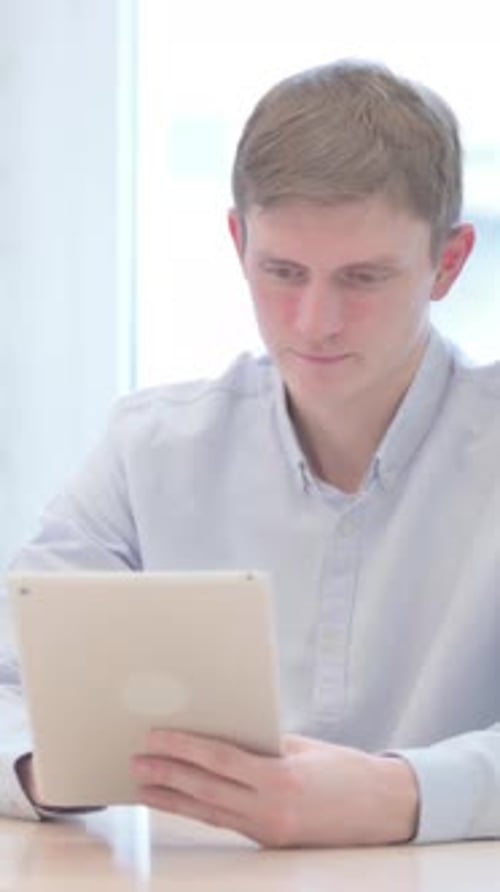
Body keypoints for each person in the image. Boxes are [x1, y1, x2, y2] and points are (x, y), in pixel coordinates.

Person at [1, 58, 499, 847]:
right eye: (282, 272)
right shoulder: (150, 449)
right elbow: (7, 682)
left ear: (449, 262)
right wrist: (42, 763)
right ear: (238, 241)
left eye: (363, 277)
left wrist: (401, 794)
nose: (313, 322)